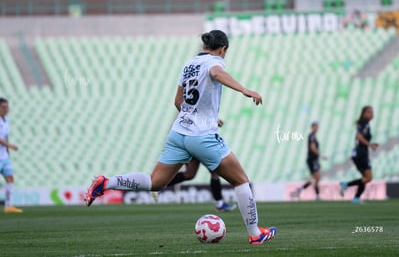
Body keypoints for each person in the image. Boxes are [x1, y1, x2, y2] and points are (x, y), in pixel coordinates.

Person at [85, 30, 276, 244]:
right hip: (202, 136)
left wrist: (206, 116)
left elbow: (178, 101)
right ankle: (255, 234)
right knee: (241, 181)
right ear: (223, 49)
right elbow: (216, 73)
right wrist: (244, 90)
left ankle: (106, 182)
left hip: (178, 133)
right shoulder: (215, 62)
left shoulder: (188, 65)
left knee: (155, 182)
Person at [164, 158, 236, 212]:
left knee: (189, 174)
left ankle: (160, 184)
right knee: (214, 173)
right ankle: (220, 204)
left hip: (192, 145)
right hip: (200, 145)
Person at [340, 106, 378, 204]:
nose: (371, 114)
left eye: (372, 112)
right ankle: (347, 185)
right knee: (368, 177)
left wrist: (369, 148)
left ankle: (356, 198)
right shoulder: (364, 124)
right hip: (360, 154)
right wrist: (370, 145)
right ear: (364, 113)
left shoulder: (365, 124)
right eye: (369, 112)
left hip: (360, 153)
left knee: (365, 178)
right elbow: (359, 137)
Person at [291, 122, 326, 200]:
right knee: (317, 178)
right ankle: (317, 196)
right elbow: (312, 147)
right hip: (312, 159)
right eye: (315, 127)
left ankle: (300, 190)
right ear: (312, 127)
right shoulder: (312, 136)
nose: (316, 129)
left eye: (317, 127)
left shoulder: (313, 136)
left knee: (315, 178)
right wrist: (321, 155)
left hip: (313, 160)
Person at [0, 98, 23, 213]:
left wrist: (7, 152)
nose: (6, 109)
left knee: (10, 178)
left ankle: (8, 206)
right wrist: (10, 146)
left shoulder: (6, 120)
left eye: (7, 107)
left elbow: (5, 137)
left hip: (4, 156)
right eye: (3, 107)